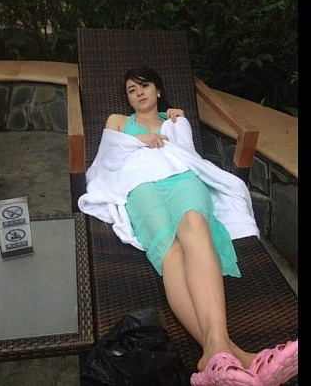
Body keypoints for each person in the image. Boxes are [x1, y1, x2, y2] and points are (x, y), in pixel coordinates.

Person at [79, 66, 298, 386]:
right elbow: (109, 155)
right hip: (141, 186)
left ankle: (216, 353)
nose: (138, 93)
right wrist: (140, 139)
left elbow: (187, 154)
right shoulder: (118, 121)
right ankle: (234, 354)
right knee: (173, 252)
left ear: (158, 90)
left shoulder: (175, 120)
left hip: (182, 178)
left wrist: (174, 123)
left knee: (195, 223)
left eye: (144, 86)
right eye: (131, 90)